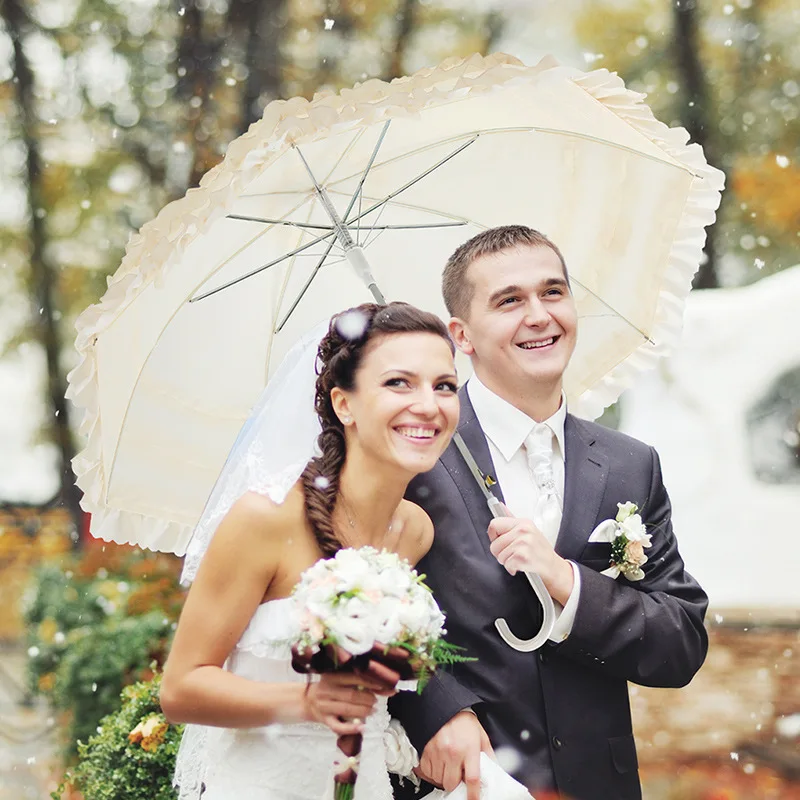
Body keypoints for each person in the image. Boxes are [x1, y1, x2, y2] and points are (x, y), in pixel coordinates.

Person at [389, 226, 709, 800]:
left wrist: (568, 583)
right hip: (458, 782)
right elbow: (351, 606)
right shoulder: (411, 451)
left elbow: (680, 644)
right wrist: (436, 710)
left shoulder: (629, 464)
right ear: (461, 334)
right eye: (509, 300)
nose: (539, 315)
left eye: (553, 292)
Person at [160, 302, 460, 800]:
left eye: (444, 385)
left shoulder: (415, 530)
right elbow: (181, 689)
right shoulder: (265, 519)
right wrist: (306, 701)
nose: (429, 405)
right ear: (344, 405)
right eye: (399, 383)